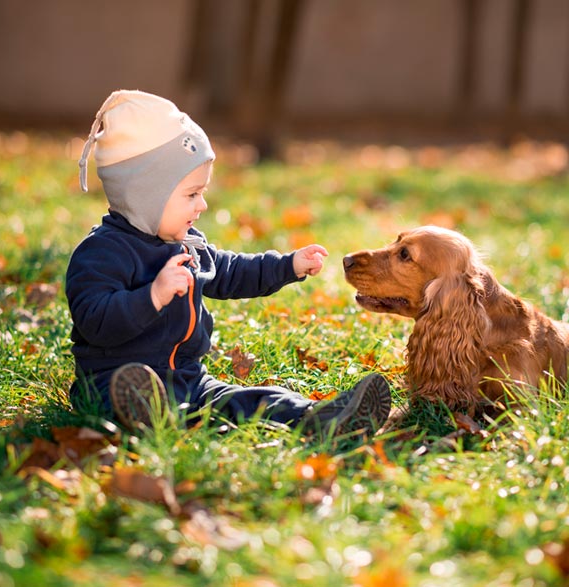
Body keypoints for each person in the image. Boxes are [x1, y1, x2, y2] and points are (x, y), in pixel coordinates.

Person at [67, 89, 390, 438]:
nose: (202, 205)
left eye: (201, 193)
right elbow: (94, 321)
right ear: (144, 197)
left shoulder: (186, 245)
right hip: (110, 382)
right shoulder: (101, 253)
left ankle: (317, 417)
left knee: (249, 401)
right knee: (126, 396)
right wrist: (153, 296)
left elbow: (233, 271)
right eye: (191, 194)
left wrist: (288, 266)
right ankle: (145, 415)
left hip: (188, 381)